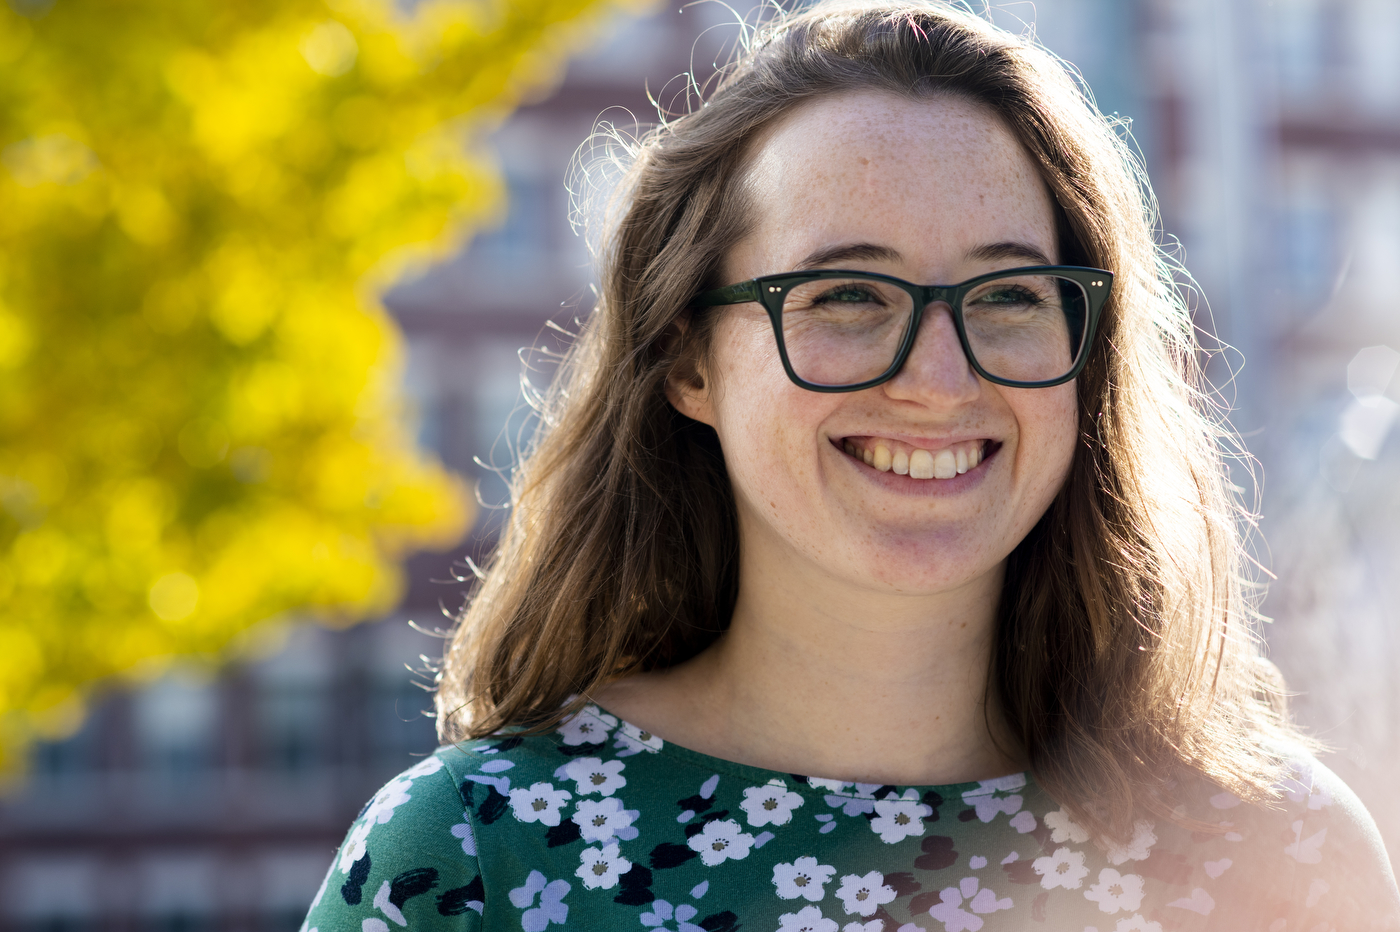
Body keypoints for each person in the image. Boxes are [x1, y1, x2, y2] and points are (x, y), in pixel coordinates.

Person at [302, 2, 1400, 929]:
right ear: (687, 357)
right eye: (844, 295)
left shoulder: (1283, 858)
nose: (936, 375)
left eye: (1009, 294)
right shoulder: (469, 857)